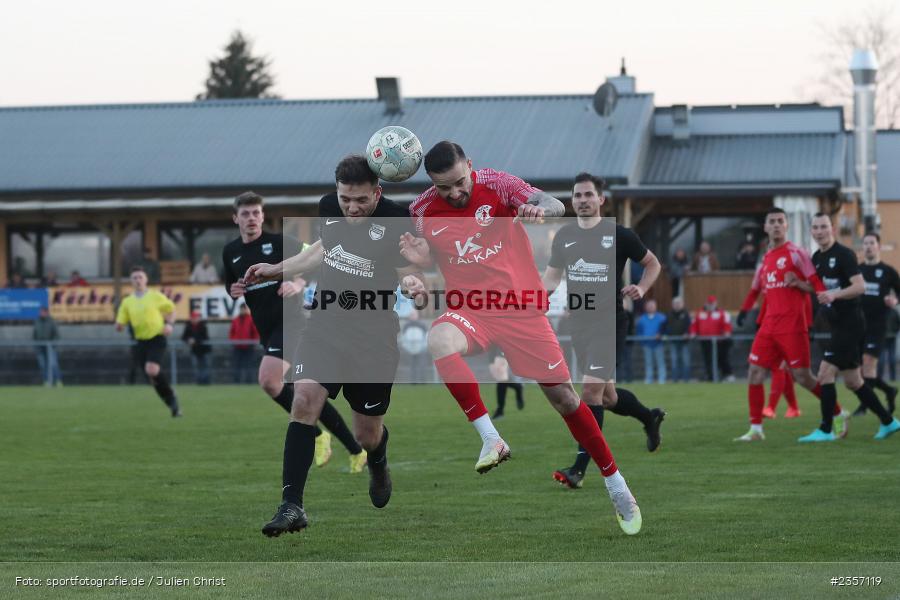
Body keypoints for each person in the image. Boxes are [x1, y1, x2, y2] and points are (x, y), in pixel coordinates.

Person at [402, 145, 642, 534]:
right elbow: (429, 257)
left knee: (565, 399)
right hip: (471, 308)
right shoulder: (420, 211)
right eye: (445, 188)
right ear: (433, 183)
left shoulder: (498, 185)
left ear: (471, 168)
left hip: (520, 310)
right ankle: (492, 439)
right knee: (439, 340)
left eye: (461, 183)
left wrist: (540, 209)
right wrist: (415, 270)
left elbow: (551, 203)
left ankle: (616, 483)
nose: (456, 194)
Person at [246, 155, 426, 537]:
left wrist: (415, 285)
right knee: (304, 399)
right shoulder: (329, 209)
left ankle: (377, 459)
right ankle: (291, 505)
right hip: (326, 325)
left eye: (360, 200)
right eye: (346, 199)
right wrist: (275, 269)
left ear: (377, 193)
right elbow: (319, 252)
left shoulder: (397, 221)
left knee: (366, 434)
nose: (352, 207)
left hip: (374, 339)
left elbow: (408, 270)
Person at [222, 191, 366, 471]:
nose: (251, 218)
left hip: (293, 323)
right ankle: (355, 449)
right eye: (245, 214)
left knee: (269, 380)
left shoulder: (280, 242)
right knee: (305, 392)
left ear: (263, 216)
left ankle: (315, 433)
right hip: (266, 329)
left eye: (256, 213)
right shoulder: (230, 252)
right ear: (235, 218)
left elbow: (319, 260)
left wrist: (298, 284)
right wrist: (234, 291)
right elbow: (233, 286)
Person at [802, 215, 900, 441]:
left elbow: (860, 286)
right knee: (853, 381)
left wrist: (834, 294)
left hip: (851, 323)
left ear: (833, 229)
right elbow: (820, 288)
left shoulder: (844, 254)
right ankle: (888, 421)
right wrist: (798, 284)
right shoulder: (816, 257)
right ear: (812, 232)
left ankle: (826, 430)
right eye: (815, 228)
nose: (819, 231)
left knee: (825, 373)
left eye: (824, 227)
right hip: (838, 324)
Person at [733, 208, 827, 441]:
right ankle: (756, 429)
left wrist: (805, 289)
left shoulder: (797, 253)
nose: (776, 225)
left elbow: (816, 283)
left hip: (793, 325)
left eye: (780, 221)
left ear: (786, 226)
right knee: (754, 372)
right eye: (772, 221)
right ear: (765, 227)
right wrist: (744, 311)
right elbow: (755, 289)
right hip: (769, 325)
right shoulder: (765, 259)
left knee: (803, 376)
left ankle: (836, 412)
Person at [114, 266, 181, 417]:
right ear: (131, 281)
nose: (138, 280)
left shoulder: (155, 296)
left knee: (152, 369)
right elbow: (120, 322)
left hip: (157, 338)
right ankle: (171, 401)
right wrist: (118, 325)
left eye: (140, 277)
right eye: (134, 278)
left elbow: (171, 309)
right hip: (140, 342)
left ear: (146, 280)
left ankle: (171, 398)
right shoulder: (127, 302)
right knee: (151, 376)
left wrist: (169, 325)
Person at [853, 233, 900, 416]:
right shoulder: (857, 270)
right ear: (862, 248)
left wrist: (894, 300)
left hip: (878, 325)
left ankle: (864, 406)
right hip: (857, 325)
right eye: (865, 243)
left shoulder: (888, 271)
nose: (868, 246)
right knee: (856, 370)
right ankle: (889, 390)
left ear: (879, 246)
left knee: (868, 364)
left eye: (872, 243)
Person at [689, 295, 734, 382]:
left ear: (715, 304)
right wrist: (693, 333)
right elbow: (694, 325)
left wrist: (727, 332)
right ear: (706, 304)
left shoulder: (721, 313)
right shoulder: (699, 313)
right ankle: (711, 376)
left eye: (712, 304)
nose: (710, 305)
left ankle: (728, 375)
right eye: (709, 304)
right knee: (708, 359)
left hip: (719, 341)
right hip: (705, 341)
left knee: (721, 358)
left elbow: (726, 324)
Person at [636, 300, 667, 384]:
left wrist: (660, 335)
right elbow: (639, 331)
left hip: (658, 344)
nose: (651, 307)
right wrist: (643, 342)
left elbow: (665, 330)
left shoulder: (662, 318)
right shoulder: (642, 319)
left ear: (656, 307)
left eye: (652, 306)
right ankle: (649, 379)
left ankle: (662, 379)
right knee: (648, 363)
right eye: (649, 306)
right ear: (646, 307)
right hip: (647, 344)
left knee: (660, 362)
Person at [488, 347, 524, 420]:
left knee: (501, 383)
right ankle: (518, 387)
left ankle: (500, 411)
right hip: (499, 355)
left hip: (503, 355)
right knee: (502, 382)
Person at [228, 303, 258, 384]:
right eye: (241, 309)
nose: (242, 311)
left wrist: (253, 342)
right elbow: (232, 332)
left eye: (244, 309)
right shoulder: (235, 320)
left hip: (249, 346)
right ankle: (236, 381)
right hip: (237, 346)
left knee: (249, 364)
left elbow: (255, 332)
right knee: (237, 364)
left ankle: (249, 381)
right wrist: (234, 341)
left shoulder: (251, 319)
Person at [33, 306, 62, 386]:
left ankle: (58, 381)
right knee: (42, 365)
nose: (40, 313)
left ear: (46, 312)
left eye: (42, 312)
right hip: (40, 347)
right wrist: (36, 345)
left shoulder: (51, 321)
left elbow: (56, 335)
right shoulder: (37, 321)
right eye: (40, 312)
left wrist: (53, 344)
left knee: (53, 364)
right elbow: (34, 335)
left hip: (50, 347)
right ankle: (46, 381)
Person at [665, 297, 692, 382]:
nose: (677, 305)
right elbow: (666, 326)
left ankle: (686, 379)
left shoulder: (686, 314)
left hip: (685, 342)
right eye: (675, 304)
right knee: (674, 361)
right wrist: (667, 334)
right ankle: (675, 380)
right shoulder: (669, 315)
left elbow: (690, 326)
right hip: (673, 341)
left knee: (686, 361)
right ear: (672, 305)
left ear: (682, 304)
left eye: (678, 303)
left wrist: (687, 333)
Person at [181, 311, 211, 384]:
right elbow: (183, 337)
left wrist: (194, 340)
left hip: (204, 350)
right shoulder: (188, 326)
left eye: (196, 317)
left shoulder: (203, 325)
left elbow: (205, 337)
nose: (195, 319)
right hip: (194, 350)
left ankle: (205, 381)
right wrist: (188, 340)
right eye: (193, 318)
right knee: (195, 366)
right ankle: (198, 381)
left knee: (205, 366)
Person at [880, 308, 899, 382]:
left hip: (883, 337)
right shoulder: (894, 311)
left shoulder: (881, 311)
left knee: (881, 358)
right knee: (891, 358)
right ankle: (893, 378)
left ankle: (879, 377)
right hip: (892, 336)